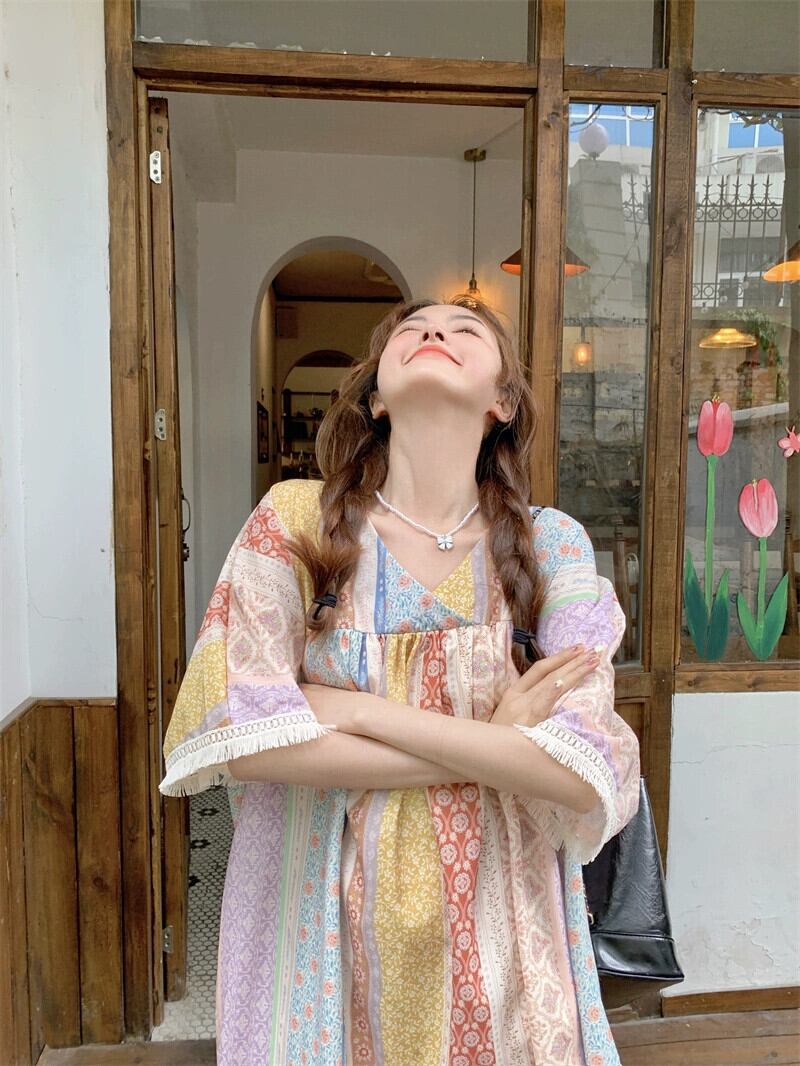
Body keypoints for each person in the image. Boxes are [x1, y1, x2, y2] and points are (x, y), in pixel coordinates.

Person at [159, 293, 641, 1066]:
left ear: (503, 400)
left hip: (503, 934)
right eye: (411, 329)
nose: (435, 330)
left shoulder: (551, 547)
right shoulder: (294, 523)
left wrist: (355, 712)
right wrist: (495, 745)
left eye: (465, 328)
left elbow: (584, 769)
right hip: (317, 927)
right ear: (377, 398)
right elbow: (247, 740)